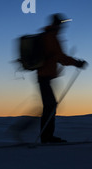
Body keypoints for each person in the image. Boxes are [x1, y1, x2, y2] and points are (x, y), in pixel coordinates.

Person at [37, 13, 87, 143]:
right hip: (45, 75)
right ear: (57, 24)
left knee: (49, 105)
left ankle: (46, 136)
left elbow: (58, 57)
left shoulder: (47, 35)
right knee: (50, 105)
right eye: (62, 23)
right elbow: (61, 58)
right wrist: (77, 63)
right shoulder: (51, 37)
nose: (63, 26)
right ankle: (46, 137)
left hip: (43, 75)